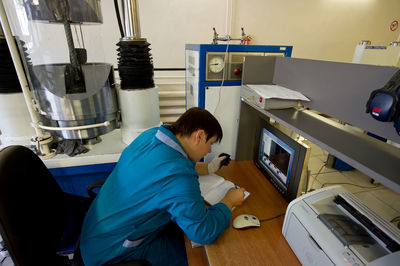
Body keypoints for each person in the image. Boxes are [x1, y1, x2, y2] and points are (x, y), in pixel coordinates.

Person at [79, 107, 246, 265]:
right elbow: (202, 232)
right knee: (195, 256)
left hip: (95, 233)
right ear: (199, 135)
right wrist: (229, 201)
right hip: (112, 253)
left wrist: (208, 168)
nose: (209, 150)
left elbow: (165, 166)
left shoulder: (151, 136)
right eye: (210, 143)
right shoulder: (178, 177)